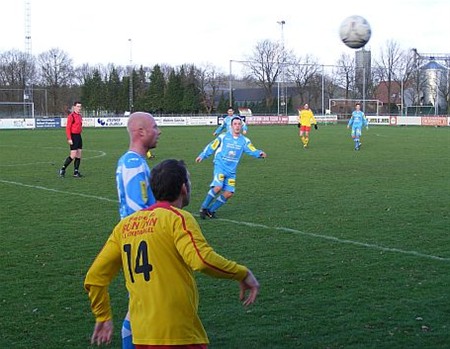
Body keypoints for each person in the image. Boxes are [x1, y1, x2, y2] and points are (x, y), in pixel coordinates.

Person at [85, 159, 260, 348]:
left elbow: (94, 278)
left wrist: (103, 315)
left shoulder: (124, 226)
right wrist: (242, 273)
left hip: (141, 336)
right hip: (177, 334)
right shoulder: (178, 218)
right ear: (183, 188)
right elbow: (201, 260)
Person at [116, 112, 161, 349]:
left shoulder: (136, 161)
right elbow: (137, 213)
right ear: (141, 132)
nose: (159, 131)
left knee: (138, 307)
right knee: (143, 307)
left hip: (137, 245)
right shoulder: (133, 164)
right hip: (141, 247)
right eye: (155, 127)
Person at [196, 116, 266, 219]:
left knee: (229, 193)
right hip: (220, 166)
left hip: (231, 171)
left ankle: (210, 211)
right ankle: (203, 207)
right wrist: (203, 155)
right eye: (235, 124)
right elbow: (212, 146)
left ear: (242, 126)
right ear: (231, 126)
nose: (237, 126)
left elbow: (252, 149)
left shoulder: (244, 141)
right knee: (218, 187)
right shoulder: (223, 137)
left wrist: (259, 153)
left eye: (239, 124)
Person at [59, 101, 84, 177]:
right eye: (78, 106)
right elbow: (68, 128)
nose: (79, 108)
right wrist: (69, 138)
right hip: (73, 136)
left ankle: (76, 172)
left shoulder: (79, 116)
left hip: (79, 136)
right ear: (74, 107)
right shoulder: (71, 116)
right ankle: (62, 169)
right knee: (73, 155)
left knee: (79, 155)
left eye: (80, 106)